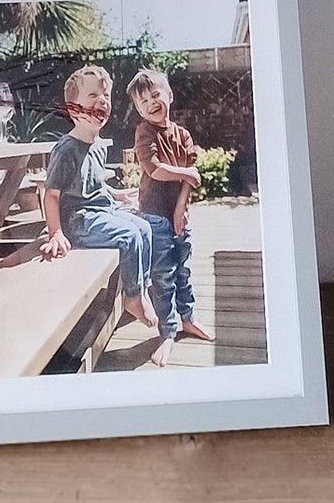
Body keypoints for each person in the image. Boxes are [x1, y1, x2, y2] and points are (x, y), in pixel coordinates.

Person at [38, 65, 157, 340]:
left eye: (106, 95)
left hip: (100, 210)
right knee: (129, 236)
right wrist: (56, 232)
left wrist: (115, 195)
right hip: (79, 220)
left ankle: (142, 289)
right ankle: (133, 296)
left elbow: (93, 183)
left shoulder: (97, 144)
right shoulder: (66, 149)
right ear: (72, 108)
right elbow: (51, 194)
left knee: (144, 228)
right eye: (92, 95)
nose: (102, 100)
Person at [128, 66, 213, 364]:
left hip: (178, 213)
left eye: (155, 95)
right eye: (143, 102)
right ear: (139, 110)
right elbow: (155, 169)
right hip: (154, 215)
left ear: (169, 95)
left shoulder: (184, 135)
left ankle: (187, 317)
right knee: (163, 276)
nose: (151, 103)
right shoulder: (144, 132)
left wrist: (181, 207)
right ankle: (167, 331)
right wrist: (187, 172)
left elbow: (187, 183)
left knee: (183, 270)